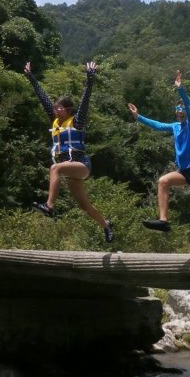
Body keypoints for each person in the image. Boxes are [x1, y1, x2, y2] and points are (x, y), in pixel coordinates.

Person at [127, 71, 190, 241]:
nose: (179, 111)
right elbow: (157, 125)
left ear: (188, 111)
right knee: (163, 181)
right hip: (183, 171)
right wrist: (138, 117)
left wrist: (181, 90)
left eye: (182, 108)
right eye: (177, 108)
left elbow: (189, 109)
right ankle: (163, 220)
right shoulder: (175, 126)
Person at [24, 60, 113, 244]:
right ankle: (106, 225)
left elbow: (86, 100)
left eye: (59, 108)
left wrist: (90, 77)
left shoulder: (77, 121)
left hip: (81, 165)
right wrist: (31, 77)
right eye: (55, 108)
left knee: (55, 169)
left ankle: (49, 206)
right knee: (84, 205)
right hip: (70, 171)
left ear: (68, 109)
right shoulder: (55, 121)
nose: (56, 109)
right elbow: (43, 99)